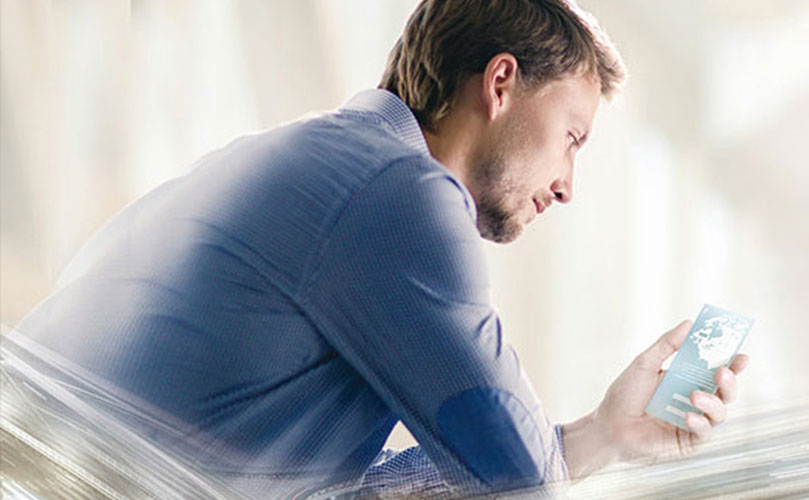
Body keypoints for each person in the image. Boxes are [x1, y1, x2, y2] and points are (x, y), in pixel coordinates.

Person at [13, 0, 748, 498]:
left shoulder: (301, 159)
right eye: (571, 138)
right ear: (500, 83)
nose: (566, 186)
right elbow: (518, 479)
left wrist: (603, 435)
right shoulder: (398, 190)